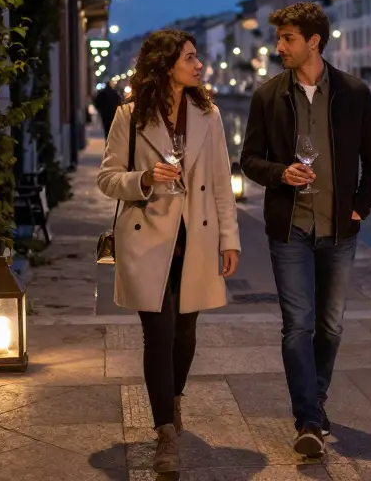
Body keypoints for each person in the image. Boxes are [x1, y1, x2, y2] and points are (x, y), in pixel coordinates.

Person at [240, 2, 371, 458]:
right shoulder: (267, 95)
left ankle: (316, 400)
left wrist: (360, 208)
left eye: (287, 38)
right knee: (297, 324)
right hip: (290, 229)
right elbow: (249, 160)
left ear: (313, 42)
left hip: (340, 229)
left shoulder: (353, 92)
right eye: (279, 38)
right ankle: (307, 417)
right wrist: (281, 173)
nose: (278, 46)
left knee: (331, 325)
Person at [96, 30, 242, 474]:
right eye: (191, 58)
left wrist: (229, 239)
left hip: (195, 238)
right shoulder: (130, 115)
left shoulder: (209, 115)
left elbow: (220, 183)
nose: (199, 66)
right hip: (147, 237)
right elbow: (107, 179)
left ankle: (174, 401)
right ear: (166, 65)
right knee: (157, 334)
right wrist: (143, 179)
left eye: (197, 58)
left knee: (185, 333)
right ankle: (165, 431)